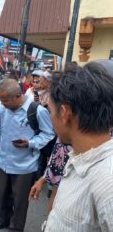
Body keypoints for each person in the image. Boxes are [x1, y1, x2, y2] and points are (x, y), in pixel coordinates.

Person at [43, 62, 113, 232]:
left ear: (65, 113)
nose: (50, 117)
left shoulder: (108, 184)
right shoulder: (79, 156)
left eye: (50, 110)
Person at [0, 79, 55, 231]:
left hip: (25, 165)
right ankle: (1, 220)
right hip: (3, 160)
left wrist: (30, 143)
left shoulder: (37, 110)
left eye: (5, 100)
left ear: (17, 96)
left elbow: (48, 134)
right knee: (1, 194)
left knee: (20, 200)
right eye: (1, 99)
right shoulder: (1, 107)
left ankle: (16, 227)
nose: (2, 103)